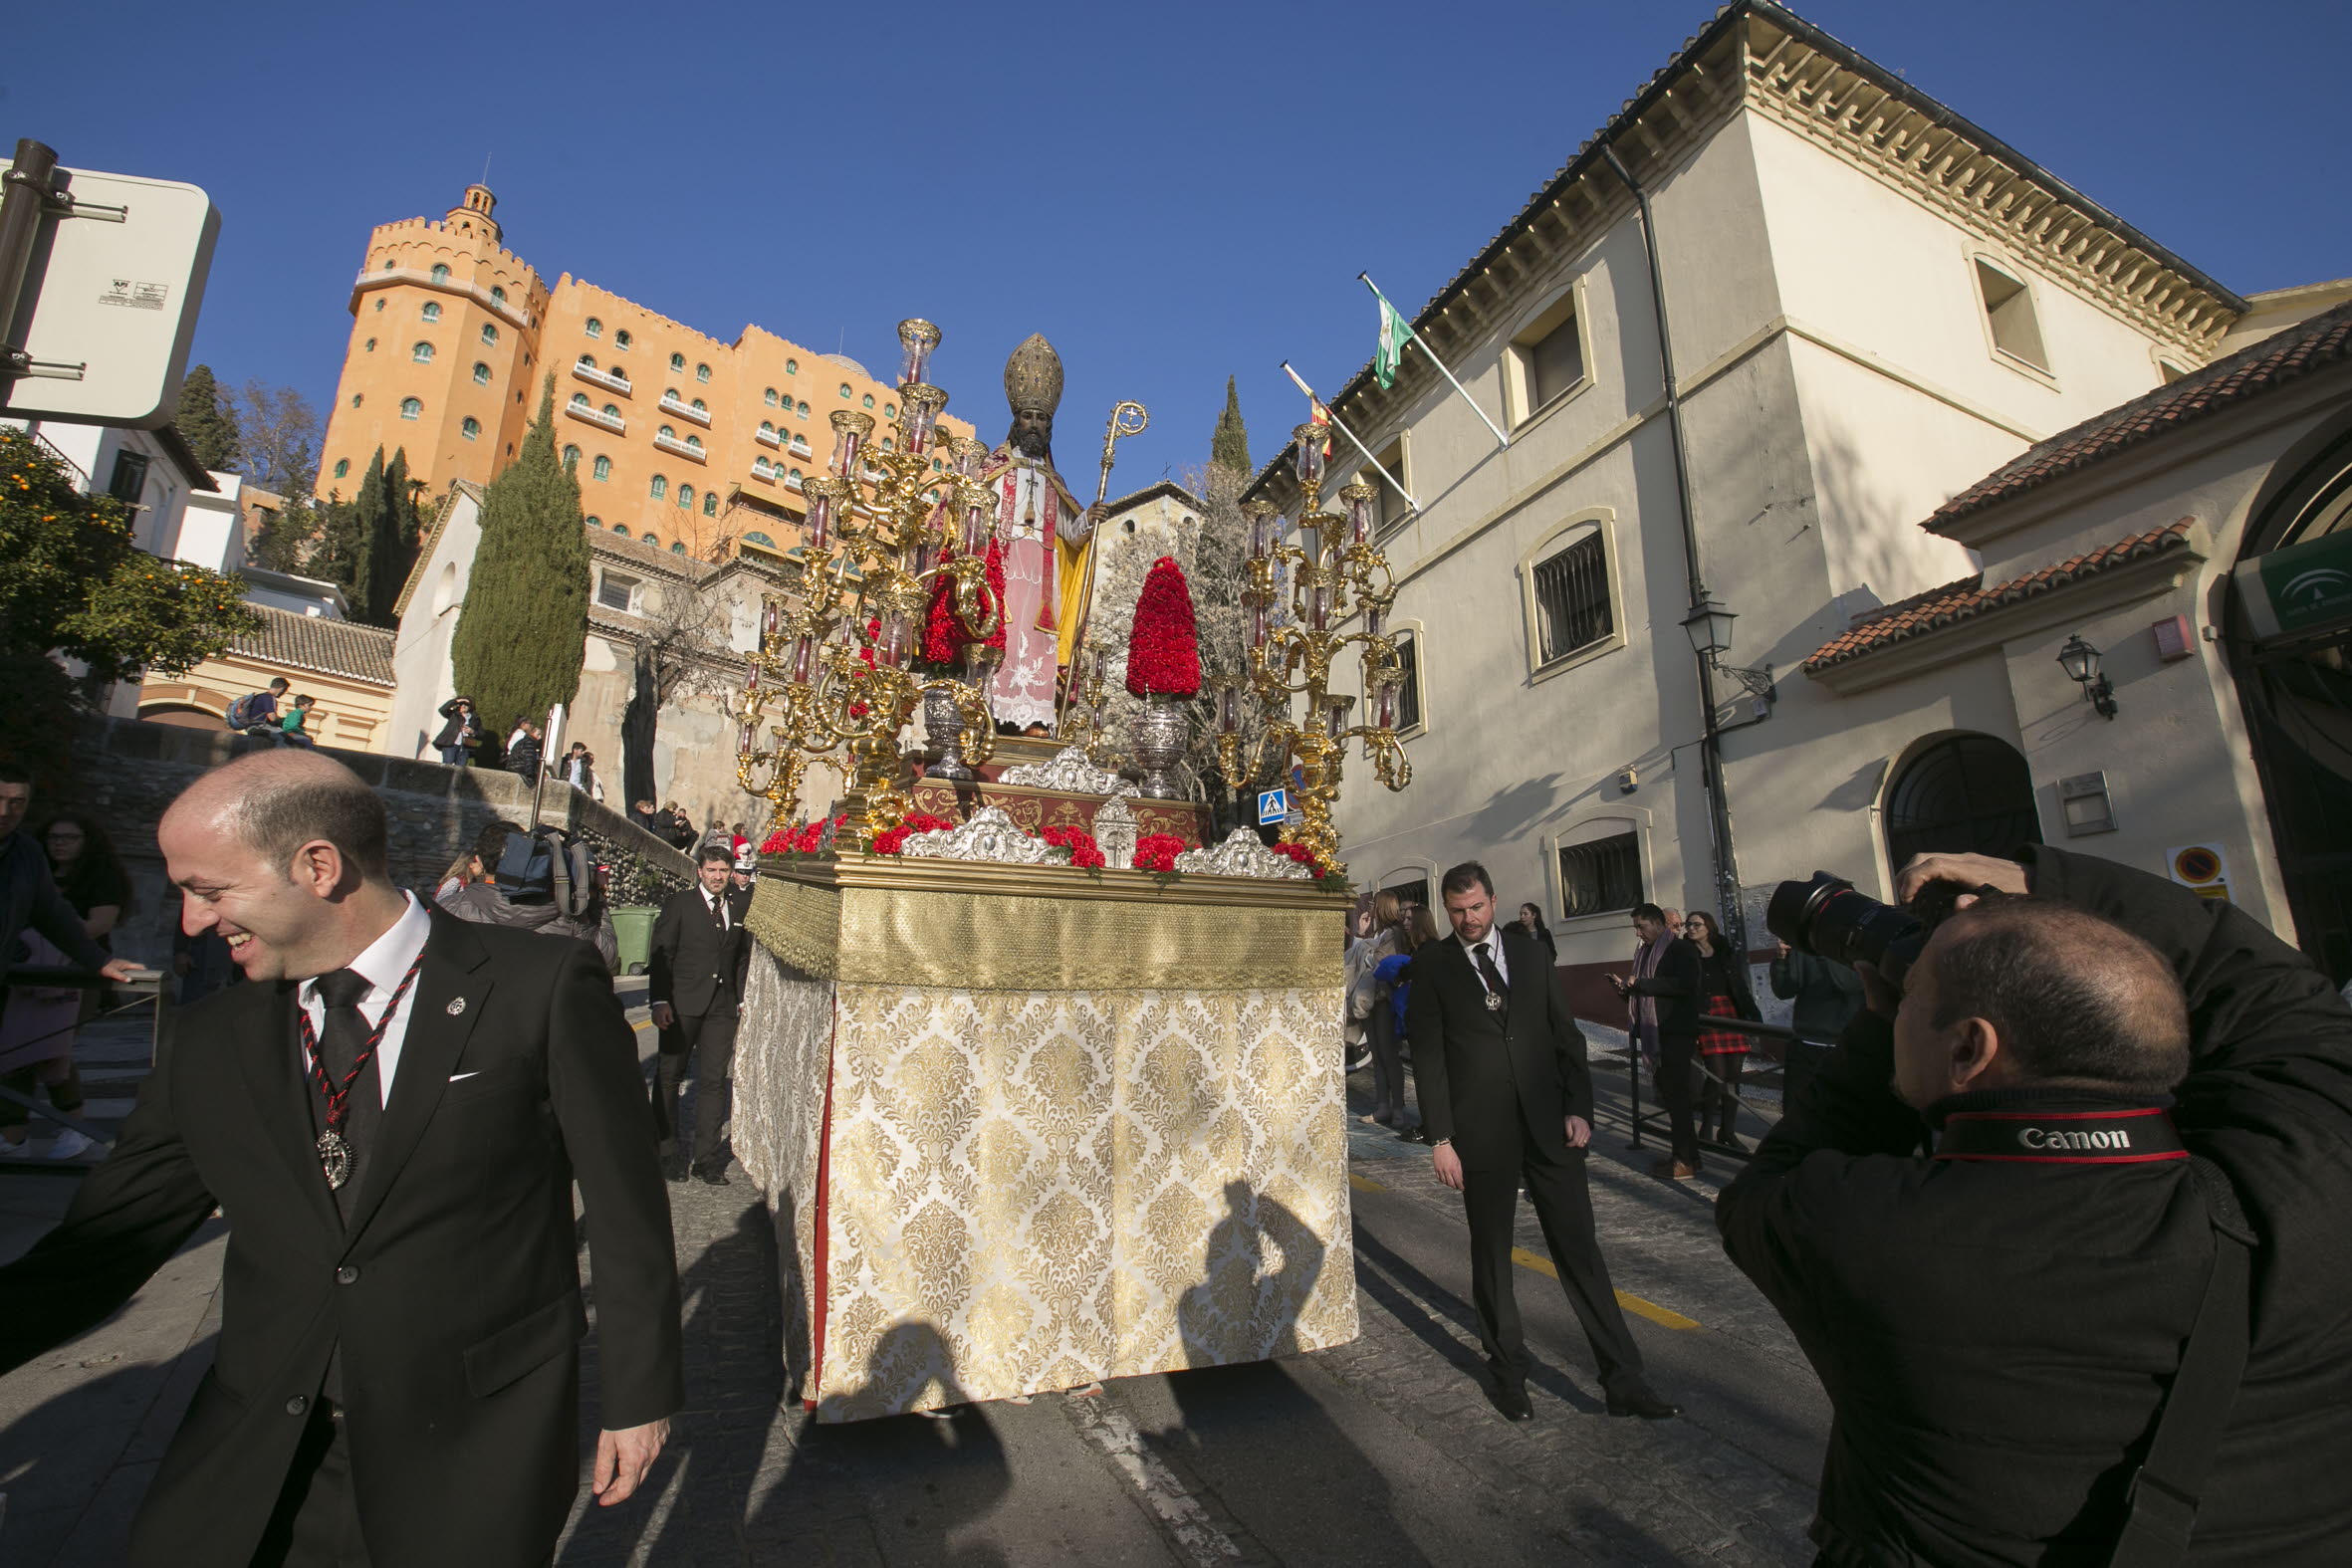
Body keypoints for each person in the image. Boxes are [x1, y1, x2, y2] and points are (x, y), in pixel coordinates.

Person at [0, 749, 682, 1566]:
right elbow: (98, 1248)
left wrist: (638, 1394)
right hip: (258, 1452)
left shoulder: (540, 986)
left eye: (208, 891)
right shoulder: (212, 1041)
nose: (189, 922)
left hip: (468, 1443)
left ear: (318, 866)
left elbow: (623, 1201)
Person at [1719, 848, 2352, 1564]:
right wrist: (2044, 889)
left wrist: (1876, 1026)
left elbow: (1767, 1186)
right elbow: (2267, 989)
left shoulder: (1871, 1233)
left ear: (1968, 1048)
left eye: (1912, 995)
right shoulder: (2315, 1173)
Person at [1408, 861, 1679, 1424]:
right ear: (1446, 909)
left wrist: (1579, 1107)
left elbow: (1565, 1036)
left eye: (1477, 907)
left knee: (1580, 1251)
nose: (1469, 920)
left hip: (1550, 1127)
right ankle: (1508, 1372)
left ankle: (1624, 1380)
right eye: (1457, 911)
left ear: (1494, 899)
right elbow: (1429, 1055)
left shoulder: (1531, 954)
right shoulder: (1432, 965)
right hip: (1480, 1134)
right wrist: (1440, 1137)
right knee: (1492, 1255)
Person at [971, 335, 1110, 732]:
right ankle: (988, 715)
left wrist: (1089, 518)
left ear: (1051, 426)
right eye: (1028, 417)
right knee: (1002, 637)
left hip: (1045, 578)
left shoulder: (1053, 479)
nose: (1035, 424)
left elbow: (1070, 532)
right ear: (1015, 422)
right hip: (1003, 568)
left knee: (1037, 642)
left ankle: (1034, 717)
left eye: (1042, 418)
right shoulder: (992, 470)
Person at [0, 810, 134, 1159]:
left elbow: (97, 925)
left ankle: (74, 1129)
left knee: (52, 1055)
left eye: (69, 837)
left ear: (86, 841)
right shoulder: (32, 867)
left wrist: (38, 932)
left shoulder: (100, 876)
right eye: (54, 837)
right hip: (28, 972)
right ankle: (14, 1134)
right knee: (17, 1051)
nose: (60, 844)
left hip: (75, 973)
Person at [1, 764, 141, 1025]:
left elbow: (52, 914)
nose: (5, 812)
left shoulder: (26, 854)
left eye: (17, 802)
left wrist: (99, 960)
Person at [648, 845, 750, 1186]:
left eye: (723, 871)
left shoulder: (737, 905)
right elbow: (662, 954)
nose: (718, 877)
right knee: (669, 1077)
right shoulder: (680, 904)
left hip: (721, 1007)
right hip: (681, 1004)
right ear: (700, 872)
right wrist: (660, 1000)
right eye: (712, 871)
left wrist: (739, 997)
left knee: (712, 1081)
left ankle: (707, 1161)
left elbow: (740, 956)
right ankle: (666, 1152)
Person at [442, 819, 620, 972]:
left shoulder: (450, 909)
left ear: (478, 862)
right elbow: (607, 958)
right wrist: (596, 895)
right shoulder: (567, 913)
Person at [1612, 903, 1705, 1179]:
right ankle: (1688, 1156)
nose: (1638, 934)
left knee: (1678, 1098)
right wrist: (1626, 989)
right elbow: (1642, 990)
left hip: (1675, 1031)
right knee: (1670, 1098)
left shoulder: (1680, 949)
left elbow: (1685, 985)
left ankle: (1684, 1159)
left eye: (1641, 926)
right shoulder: (1645, 953)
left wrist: (1641, 984)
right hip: (1656, 1031)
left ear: (1657, 923)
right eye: (1636, 928)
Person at [1682, 911, 1760, 1150]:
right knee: (1716, 1075)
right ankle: (1705, 1127)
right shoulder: (1685, 953)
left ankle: (1727, 1131)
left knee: (1733, 1077)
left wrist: (1753, 1016)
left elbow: (1739, 985)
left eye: (1697, 924)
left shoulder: (1724, 951)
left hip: (1730, 1013)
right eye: (1689, 924)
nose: (1692, 928)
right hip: (1706, 1015)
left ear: (1709, 927)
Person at [1767, 938, 1863, 1105]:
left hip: (1844, 1046)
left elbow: (1850, 984)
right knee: (1795, 1112)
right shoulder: (1804, 944)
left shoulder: (1853, 944)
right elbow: (1784, 990)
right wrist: (1780, 959)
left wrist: (1824, 950)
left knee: (1843, 1114)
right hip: (1804, 1044)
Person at [1351, 892, 1411, 1130]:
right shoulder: (1377, 934)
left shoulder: (1394, 934)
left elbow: (1379, 961)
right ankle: (1382, 1105)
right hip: (1371, 1000)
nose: (1371, 908)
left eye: (1375, 904)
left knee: (1389, 1055)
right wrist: (1362, 935)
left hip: (1385, 999)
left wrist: (1367, 949)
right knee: (1377, 1056)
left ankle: (1397, 1107)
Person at [431, 695, 480, 767]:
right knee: (447, 765)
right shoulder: (454, 714)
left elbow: (481, 734)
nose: (464, 706)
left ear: (470, 706)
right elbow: (442, 709)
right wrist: (457, 701)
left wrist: (472, 731)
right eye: (462, 704)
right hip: (450, 744)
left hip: (465, 747)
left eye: (466, 704)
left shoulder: (475, 719)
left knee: (460, 769)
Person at [507, 720, 544, 784]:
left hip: (515, 769)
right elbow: (529, 759)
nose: (540, 737)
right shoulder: (529, 742)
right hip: (520, 770)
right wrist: (530, 775)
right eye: (538, 734)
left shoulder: (524, 740)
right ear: (532, 733)